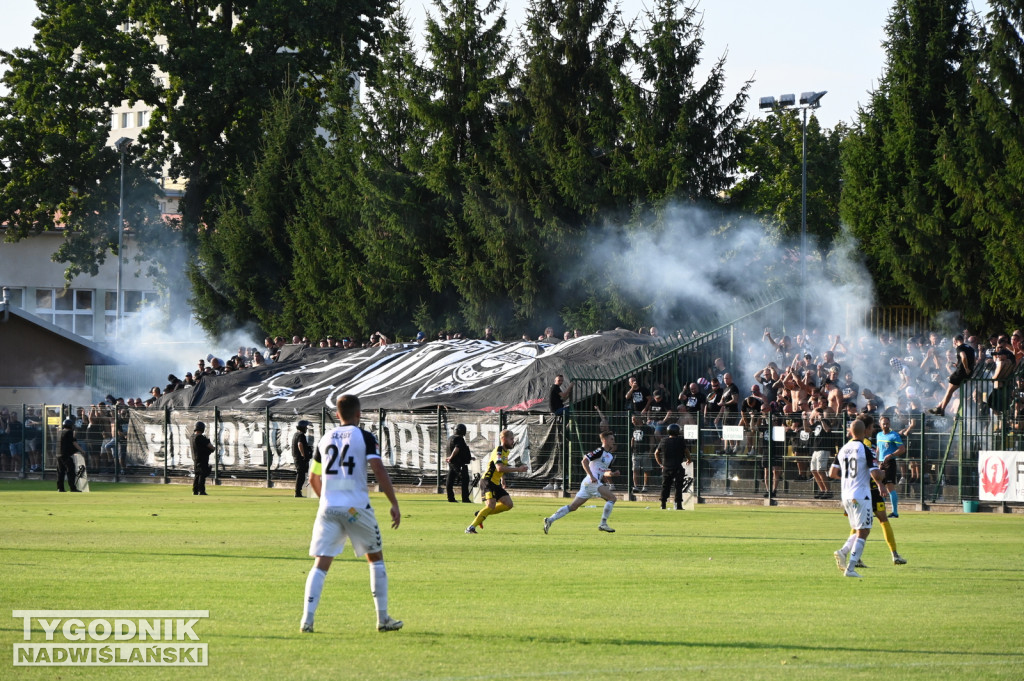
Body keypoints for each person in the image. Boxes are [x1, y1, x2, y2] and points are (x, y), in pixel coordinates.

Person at [301, 394, 402, 633]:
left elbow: (313, 477)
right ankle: (383, 618)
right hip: (356, 507)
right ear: (359, 414)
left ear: (337, 414)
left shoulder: (325, 438)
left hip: (328, 507)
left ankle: (307, 620)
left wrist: (325, 498)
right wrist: (394, 502)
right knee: (375, 558)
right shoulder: (364, 436)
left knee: (321, 564)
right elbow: (378, 468)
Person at [830, 419, 886, 578]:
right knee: (864, 531)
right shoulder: (864, 449)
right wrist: (882, 473)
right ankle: (851, 568)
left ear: (850, 431)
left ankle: (843, 552)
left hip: (846, 495)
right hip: (861, 495)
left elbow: (832, 473)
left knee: (860, 529)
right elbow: (875, 474)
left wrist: (847, 479)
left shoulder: (843, 449)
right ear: (865, 431)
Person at [543, 431, 619, 533]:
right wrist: (592, 476)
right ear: (605, 440)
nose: (613, 442)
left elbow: (603, 472)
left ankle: (550, 520)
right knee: (612, 498)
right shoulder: (599, 451)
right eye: (611, 439)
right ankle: (603, 523)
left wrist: (612, 474)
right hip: (592, 481)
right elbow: (584, 461)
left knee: (573, 507)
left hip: (589, 483)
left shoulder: (609, 456)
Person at [466, 429, 527, 534]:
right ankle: (470, 528)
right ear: (504, 439)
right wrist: (518, 469)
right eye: (511, 439)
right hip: (487, 482)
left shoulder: (506, 452)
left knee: (508, 504)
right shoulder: (499, 450)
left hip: (495, 483)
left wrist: (502, 479)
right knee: (490, 506)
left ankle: (481, 514)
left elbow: (499, 467)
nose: (513, 441)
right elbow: (499, 468)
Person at [928, 334, 976, 416]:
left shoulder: (959, 348)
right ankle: (939, 407)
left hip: (960, 373)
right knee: (950, 391)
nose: (954, 344)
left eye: (954, 342)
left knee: (949, 391)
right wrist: (958, 365)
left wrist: (966, 368)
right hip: (968, 374)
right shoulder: (970, 348)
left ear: (956, 341)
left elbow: (963, 357)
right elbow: (973, 360)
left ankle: (942, 409)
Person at [654, 424, 691, 511]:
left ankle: (663, 504)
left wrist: (660, 464)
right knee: (678, 486)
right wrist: (689, 459)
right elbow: (686, 451)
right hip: (677, 467)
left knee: (665, 486)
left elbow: (656, 453)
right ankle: (678, 505)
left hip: (666, 467)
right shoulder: (680, 440)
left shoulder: (663, 440)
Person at [875, 416, 906, 517]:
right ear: (880, 424)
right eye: (883, 423)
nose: (885, 425)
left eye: (887, 423)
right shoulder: (879, 435)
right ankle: (881, 511)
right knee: (881, 487)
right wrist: (877, 461)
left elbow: (902, 449)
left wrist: (891, 455)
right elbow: (878, 449)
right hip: (881, 463)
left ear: (890, 424)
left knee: (890, 487)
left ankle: (895, 512)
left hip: (890, 463)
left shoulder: (894, 435)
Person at [445, 423, 472, 503]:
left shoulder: (450, 438)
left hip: (452, 463)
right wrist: (451, 457)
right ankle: (465, 498)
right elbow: (457, 448)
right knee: (465, 479)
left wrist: (450, 458)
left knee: (450, 481)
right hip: (458, 463)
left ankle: (450, 498)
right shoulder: (459, 439)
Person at [57, 418, 85, 492]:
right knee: (70, 471)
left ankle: (60, 488)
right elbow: (74, 443)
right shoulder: (69, 432)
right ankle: (73, 488)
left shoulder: (60, 432)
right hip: (65, 454)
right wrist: (82, 450)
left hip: (58, 454)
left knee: (61, 472)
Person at [190, 421, 215, 496]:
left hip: (195, 458)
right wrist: (213, 448)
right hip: (202, 458)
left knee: (197, 475)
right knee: (202, 475)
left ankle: (195, 490)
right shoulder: (200, 437)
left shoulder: (192, 437)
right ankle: (201, 491)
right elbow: (210, 446)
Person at [292, 420, 312, 498]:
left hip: (296, 457)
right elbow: (300, 444)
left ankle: (298, 492)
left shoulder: (296, 434)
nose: (306, 428)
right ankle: (297, 492)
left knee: (301, 474)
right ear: (302, 427)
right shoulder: (301, 435)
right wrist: (303, 455)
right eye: (305, 427)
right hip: (300, 458)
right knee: (301, 475)